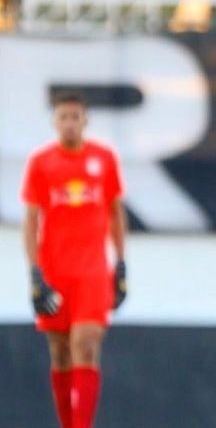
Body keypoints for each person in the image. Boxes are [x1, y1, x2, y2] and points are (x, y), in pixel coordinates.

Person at [21, 93, 128, 428]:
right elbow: (31, 221)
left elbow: (115, 213)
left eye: (75, 117)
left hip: (93, 271)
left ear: (85, 121)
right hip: (55, 269)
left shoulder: (104, 160)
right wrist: (35, 273)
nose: (69, 123)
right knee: (60, 351)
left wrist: (121, 263)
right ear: (54, 122)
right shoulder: (41, 163)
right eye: (63, 117)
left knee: (86, 343)